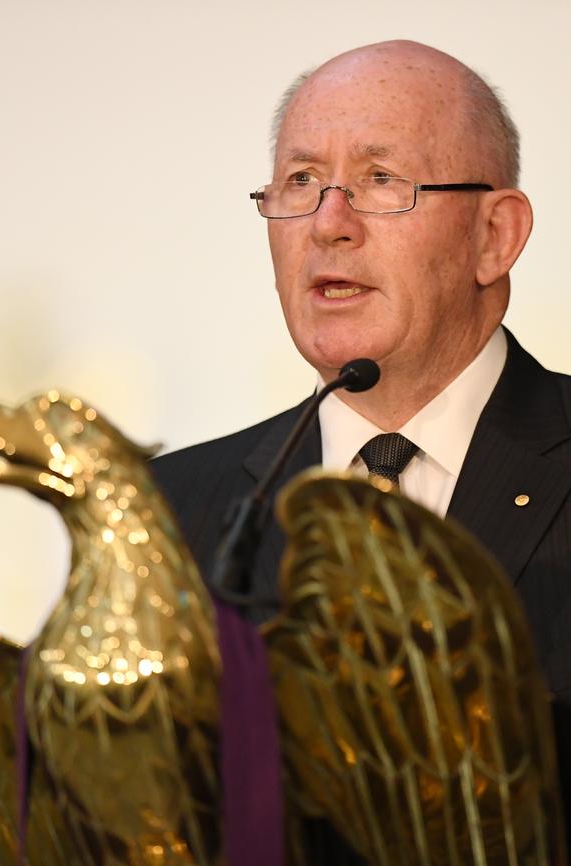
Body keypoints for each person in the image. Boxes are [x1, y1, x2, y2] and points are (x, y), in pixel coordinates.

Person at [152, 40, 571, 861]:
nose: (328, 226)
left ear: (496, 234)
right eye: (301, 183)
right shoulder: (179, 509)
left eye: (382, 182)